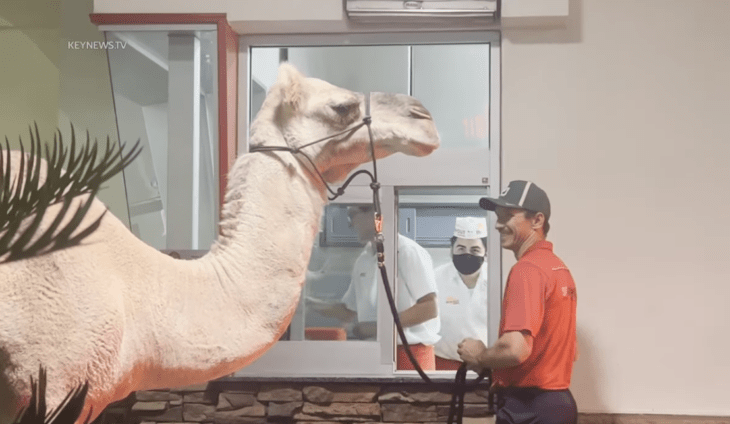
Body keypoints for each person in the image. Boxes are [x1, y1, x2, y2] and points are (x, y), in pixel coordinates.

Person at [457, 180, 578, 424]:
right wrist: (500, 373)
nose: (499, 225)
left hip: (530, 407)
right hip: (558, 406)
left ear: (537, 221)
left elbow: (515, 349)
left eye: (509, 216)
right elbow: (566, 351)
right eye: (498, 217)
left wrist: (480, 355)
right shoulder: (558, 268)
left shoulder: (527, 269)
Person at [311, 205, 441, 370]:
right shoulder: (364, 259)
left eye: (353, 215)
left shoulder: (407, 251)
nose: (351, 224)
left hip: (410, 354)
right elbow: (348, 310)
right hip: (375, 352)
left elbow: (429, 308)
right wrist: (308, 304)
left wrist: (377, 328)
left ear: (373, 215)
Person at [433, 217, 489, 371]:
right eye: (461, 249)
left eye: (475, 250)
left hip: (486, 365)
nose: (467, 254)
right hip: (444, 364)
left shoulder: (497, 279)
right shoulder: (436, 278)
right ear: (452, 249)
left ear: (486, 251)